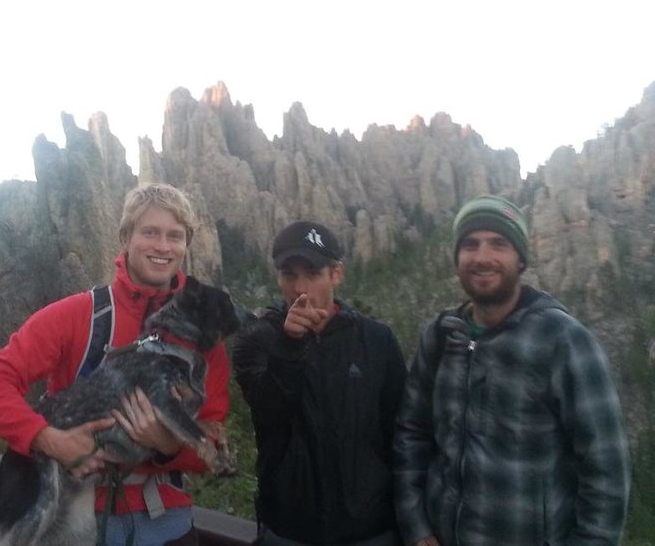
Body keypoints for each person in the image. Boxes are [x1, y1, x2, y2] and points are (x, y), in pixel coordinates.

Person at [0, 183, 230, 546]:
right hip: (76, 521)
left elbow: (212, 443)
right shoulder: (78, 315)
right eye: (149, 232)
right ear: (125, 237)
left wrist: (168, 444)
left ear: (186, 245)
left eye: (175, 236)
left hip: (165, 523)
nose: (163, 246)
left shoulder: (202, 339)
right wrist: (51, 441)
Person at [393, 194, 630, 546]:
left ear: (520, 259)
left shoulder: (564, 341)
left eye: (499, 244)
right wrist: (416, 527)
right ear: (457, 257)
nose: (483, 257)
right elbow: (411, 434)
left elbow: (606, 471)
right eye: (470, 245)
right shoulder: (440, 336)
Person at [232, 220, 407, 545]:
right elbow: (268, 412)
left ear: (336, 274)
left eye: (312, 274)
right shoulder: (257, 338)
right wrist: (290, 345)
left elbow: (401, 433)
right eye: (289, 274)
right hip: (288, 531)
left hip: (369, 531)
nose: (300, 287)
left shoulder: (376, 340)